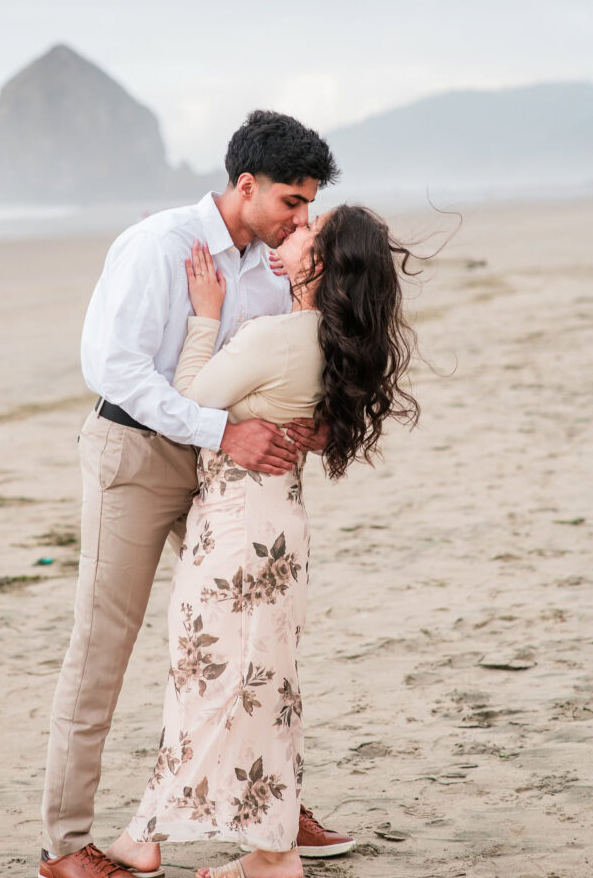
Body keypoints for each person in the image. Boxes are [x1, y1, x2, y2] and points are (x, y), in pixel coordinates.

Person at [39, 111, 357, 878]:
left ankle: (273, 812)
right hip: (137, 456)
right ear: (245, 185)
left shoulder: (269, 262)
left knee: (252, 636)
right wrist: (218, 430)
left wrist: (298, 424)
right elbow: (115, 369)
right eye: (291, 202)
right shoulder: (158, 246)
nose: (300, 220)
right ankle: (67, 843)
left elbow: (258, 369)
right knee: (102, 648)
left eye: (309, 207)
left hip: (226, 473)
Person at [107, 203, 420, 878]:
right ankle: (262, 845)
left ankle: (203, 841)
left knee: (211, 679)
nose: (293, 229)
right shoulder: (332, 339)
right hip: (276, 531)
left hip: (236, 536)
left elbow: (191, 400)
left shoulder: (274, 336)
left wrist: (204, 317)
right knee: (259, 683)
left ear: (317, 262)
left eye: (309, 229)